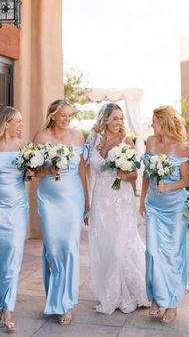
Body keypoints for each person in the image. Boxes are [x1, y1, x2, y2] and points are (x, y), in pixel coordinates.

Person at [87, 102, 149, 314]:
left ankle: (132, 292)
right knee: (105, 246)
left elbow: (134, 174)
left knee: (119, 249)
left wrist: (124, 175)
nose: (118, 123)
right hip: (100, 201)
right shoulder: (93, 139)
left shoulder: (126, 141)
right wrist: (87, 204)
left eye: (121, 119)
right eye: (114, 118)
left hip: (121, 200)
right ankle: (110, 291)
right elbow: (88, 172)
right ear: (104, 119)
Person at [33, 99, 89, 325]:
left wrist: (87, 200)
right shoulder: (40, 137)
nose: (67, 119)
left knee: (69, 247)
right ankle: (53, 297)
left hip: (73, 197)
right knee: (53, 250)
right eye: (63, 115)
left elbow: (83, 170)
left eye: (70, 115)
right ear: (53, 115)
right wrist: (48, 169)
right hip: (48, 198)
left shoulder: (78, 137)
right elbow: (33, 171)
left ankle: (65, 303)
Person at [139, 105, 189, 324]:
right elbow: (147, 176)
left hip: (175, 207)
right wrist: (141, 201)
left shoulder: (182, 147)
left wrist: (168, 189)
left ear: (164, 122)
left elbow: (186, 180)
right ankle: (157, 296)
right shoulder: (151, 142)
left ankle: (171, 303)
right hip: (154, 205)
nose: (152, 124)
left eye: (154, 120)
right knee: (152, 251)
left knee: (172, 254)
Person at [0, 106, 28, 333]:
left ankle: (8, 309)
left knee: (13, 254)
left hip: (17, 208)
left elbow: (30, 175)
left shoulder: (23, 146)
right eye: (17, 121)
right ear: (6, 123)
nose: (21, 125)